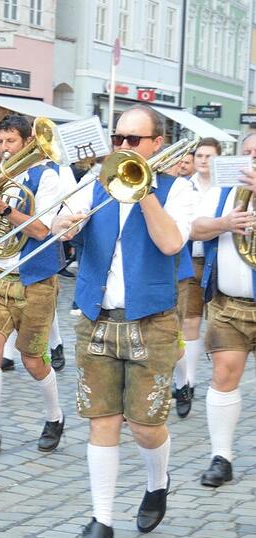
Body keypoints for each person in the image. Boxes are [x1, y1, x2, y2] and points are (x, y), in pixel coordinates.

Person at [50, 105, 194, 537]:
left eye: (133, 140)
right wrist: (63, 224)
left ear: (157, 144)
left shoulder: (177, 190)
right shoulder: (94, 184)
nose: (123, 147)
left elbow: (171, 243)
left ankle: (157, 481)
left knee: (147, 427)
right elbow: (58, 224)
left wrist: (143, 188)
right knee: (102, 421)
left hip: (152, 322)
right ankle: (103, 519)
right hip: (96, 318)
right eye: (118, 139)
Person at [0, 114, 65, 458]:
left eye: (11, 142)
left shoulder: (46, 177)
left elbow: (41, 230)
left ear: (28, 143)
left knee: (32, 359)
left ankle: (54, 416)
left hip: (35, 279)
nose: (5, 149)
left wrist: (2, 208)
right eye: (1, 142)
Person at [189, 132, 256, 490]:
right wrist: (225, 223)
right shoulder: (222, 189)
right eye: (247, 152)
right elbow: (194, 228)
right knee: (223, 375)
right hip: (229, 303)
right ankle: (222, 457)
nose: (252, 158)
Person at [172, 137, 222, 418]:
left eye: (208, 156)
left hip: (217, 261)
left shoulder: (224, 188)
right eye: (200, 156)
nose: (203, 160)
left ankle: (218, 380)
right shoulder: (185, 186)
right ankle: (187, 381)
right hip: (190, 258)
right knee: (189, 321)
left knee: (215, 324)